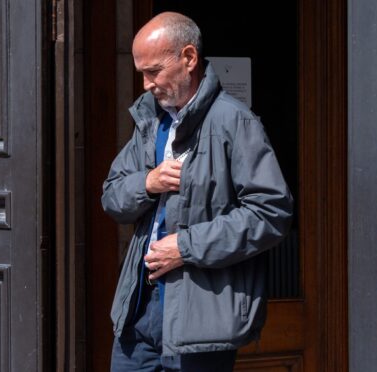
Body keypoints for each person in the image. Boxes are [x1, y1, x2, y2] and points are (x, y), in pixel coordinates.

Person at [101, 11, 293, 372]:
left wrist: (185, 247)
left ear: (188, 58)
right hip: (139, 316)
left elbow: (271, 214)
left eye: (153, 71)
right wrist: (147, 183)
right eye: (141, 72)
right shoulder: (150, 123)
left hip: (201, 320)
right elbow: (112, 195)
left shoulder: (234, 122)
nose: (145, 84)